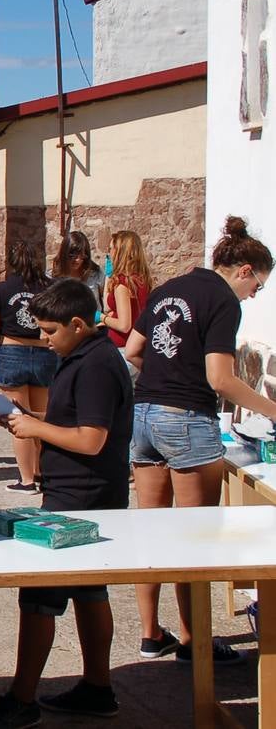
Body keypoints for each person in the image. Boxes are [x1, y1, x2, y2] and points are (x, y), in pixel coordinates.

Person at [0, 279, 133, 728]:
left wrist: (35, 431)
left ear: (78, 324)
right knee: (89, 591)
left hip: (82, 496)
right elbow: (76, 419)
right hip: (80, 491)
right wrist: (34, 420)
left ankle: (23, 698)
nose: (42, 339)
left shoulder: (97, 365)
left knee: (40, 597)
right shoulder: (80, 357)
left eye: (49, 331)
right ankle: (97, 688)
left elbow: (91, 438)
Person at [126, 216, 276, 666]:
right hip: (186, 418)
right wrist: (272, 410)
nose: (254, 295)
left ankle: (151, 633)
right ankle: (194, 641)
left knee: (151, 531)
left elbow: (134, 350)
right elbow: (221, 379)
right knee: (195, 539)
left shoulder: (168, 288)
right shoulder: (224, 301)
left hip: (144, 414)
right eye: (258, 286)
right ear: (244, 270)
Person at [0, 241, 57, 493]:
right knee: (41, 418)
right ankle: (42, 473)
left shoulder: (2, 288)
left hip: (11, 350)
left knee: (18, 417)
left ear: (10, 261)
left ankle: (26, 480)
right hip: (43, 352)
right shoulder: (50, 287)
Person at [101, 230, 152, 356]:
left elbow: (124, 325)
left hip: (123, 347)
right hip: (139, 345)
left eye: (112, 248)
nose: (109, 253)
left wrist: (101, 317)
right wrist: (109, 277)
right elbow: (109, 308)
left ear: (120, 252)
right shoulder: (141, 279)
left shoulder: (123, 283)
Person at [54, 231, 105, 310]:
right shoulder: (53, 277)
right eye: (73, 255)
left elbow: (106, 299)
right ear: (65, 254)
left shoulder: (96, 274)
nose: (77, 260)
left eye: (81, 255)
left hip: (93, 321)